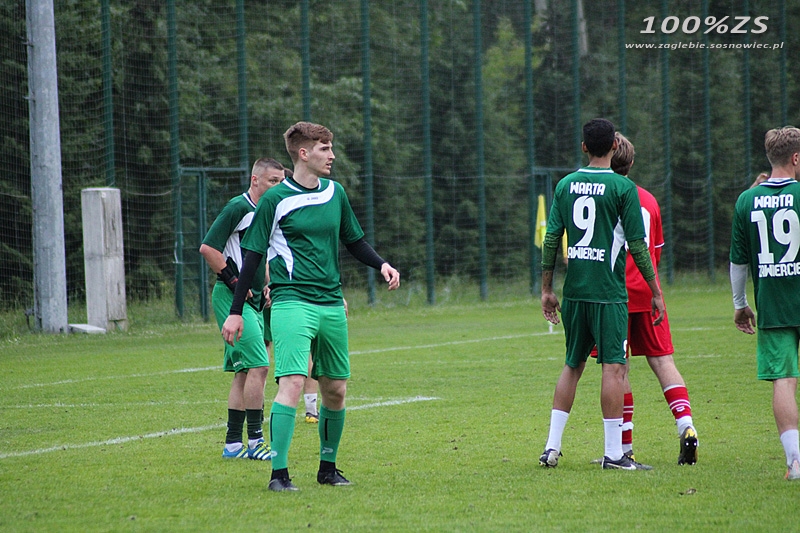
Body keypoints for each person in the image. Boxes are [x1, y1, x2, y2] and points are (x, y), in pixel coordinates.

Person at [222, 121, 400, 492]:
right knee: (291, 382)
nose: (332, 155)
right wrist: (236, 311)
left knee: (335, 389)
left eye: (330, 148)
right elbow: (252, 256)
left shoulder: (336, 193)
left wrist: (381, 263)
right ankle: (279, 475)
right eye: (324, 148)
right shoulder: (275, 199)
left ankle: (328, 469)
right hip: (291, 302)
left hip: (332, 303)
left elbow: (354, 241)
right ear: (303, 153)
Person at [538, 118, 665, 471]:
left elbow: (551, 239)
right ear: (614, 146)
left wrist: (547, 288)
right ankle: (613, 454)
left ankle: (551, 447)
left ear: (583, 147)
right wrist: (655, 291)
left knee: (572, 364)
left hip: (575, 293)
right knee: (615, 367)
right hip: (609, 294)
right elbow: (638, 246)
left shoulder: (565, 185)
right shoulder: (623, 188)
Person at [603, 132, 698, 465]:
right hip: (647, 290)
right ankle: (686, 425)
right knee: (663, 362)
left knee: (619, 369)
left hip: (613, 294)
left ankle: (624, 447)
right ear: (631, 163)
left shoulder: (602, 197)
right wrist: (654, 290)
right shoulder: (648, 201)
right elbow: (653, 253)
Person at [199, 157, 286, 461]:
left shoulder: (269, 212)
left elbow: (262, 256)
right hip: (231, 297)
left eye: (281, 181)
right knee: (260, 366)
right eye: (273, 181)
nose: (278, 186)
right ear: (255, 180)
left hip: (255, 301)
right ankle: (256, 442)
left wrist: (268, 284)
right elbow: (208, 248)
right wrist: (235, 281)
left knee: (245, 371)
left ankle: (233, 445)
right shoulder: (238, 207)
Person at [730, 126, 800, 481]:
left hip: (773, 305)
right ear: (796, 158)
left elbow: (738, 262)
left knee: (784, 381)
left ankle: (795, 462)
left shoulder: (747, 200)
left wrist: (740, 304)